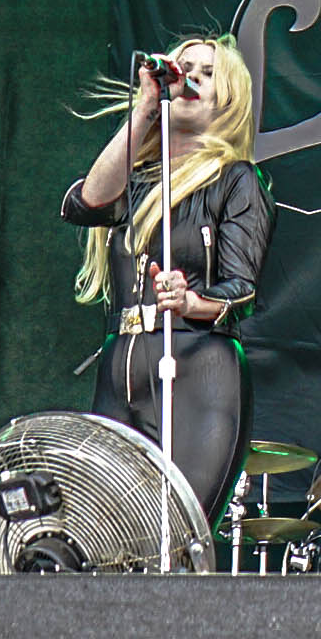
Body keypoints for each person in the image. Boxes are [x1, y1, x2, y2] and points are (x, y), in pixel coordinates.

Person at [63, 37, 273, 521]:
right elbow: (85, 205)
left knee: (179, 531)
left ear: (229, 100)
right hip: (121, 363)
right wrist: (144, 107)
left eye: (207, 73)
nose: (191, 77)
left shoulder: (236, 179)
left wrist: (190, 300)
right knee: (107, 529)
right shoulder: (135, 178)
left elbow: (241, 287)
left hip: (197, 365)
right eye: (184, 67)